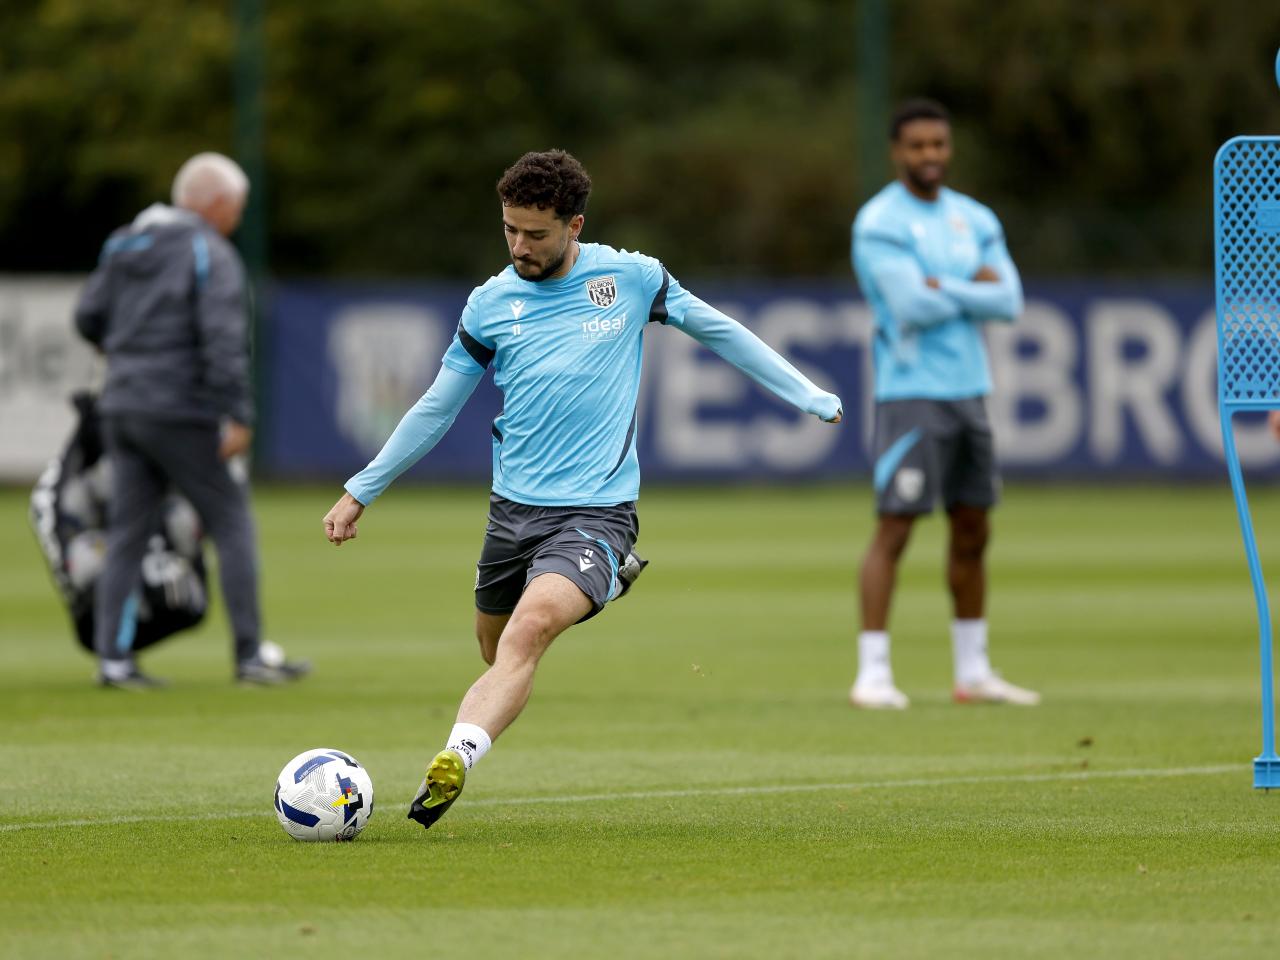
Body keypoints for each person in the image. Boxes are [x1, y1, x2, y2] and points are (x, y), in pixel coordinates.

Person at [323, 149, 843, 831]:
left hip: (595, 512)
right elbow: (435, 407)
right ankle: (598, 590)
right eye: (509, 230)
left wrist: (805, 393)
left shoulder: (630, 279)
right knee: (497, 646)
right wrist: (362, 489)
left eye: (535, 234)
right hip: (511, 514)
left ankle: (456, 757)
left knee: (528, 633)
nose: (519, 247)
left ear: (574, 225)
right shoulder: (490, 303)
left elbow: (721, 331)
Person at [74, 152, 310, 689]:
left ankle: (112, 661)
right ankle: (250, 655)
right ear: (217, 204)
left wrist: (128, 356)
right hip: (182, 411)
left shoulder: (124, 242)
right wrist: (239, 415)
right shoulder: (210, 251)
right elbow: (223, 342)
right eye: (237, 208)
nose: (237, 219)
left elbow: (87, 316)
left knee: (128, 532)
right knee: (231, 522)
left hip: (122, 407)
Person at [849, 99, 1039, 710]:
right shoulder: (879, 221)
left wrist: (941, 285)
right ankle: (873, 672)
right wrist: (968, 289)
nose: (930, 156)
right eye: (918, 146)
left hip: (968, 390)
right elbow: (909, 306)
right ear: (897, 152)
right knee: (896, 526)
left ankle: (973, 671)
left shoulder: (974, 217)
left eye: (939, 145)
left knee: (973, 527)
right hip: (910, 392)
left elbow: (1010, 301)